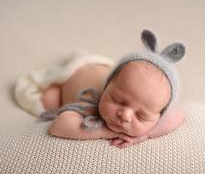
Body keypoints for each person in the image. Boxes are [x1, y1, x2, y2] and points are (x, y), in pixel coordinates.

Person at [14, 30, 186, 149]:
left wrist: (145, 135)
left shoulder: (156, 108)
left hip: (102, 70)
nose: (125, 116)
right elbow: (59, 126)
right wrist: (107, 131)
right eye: (118, 100)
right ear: (108, 87)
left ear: (159, 115)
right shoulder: (93, 104)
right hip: (74, 73)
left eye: (141, 116)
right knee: (49, 100)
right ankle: (75, 58)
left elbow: (178, 116)